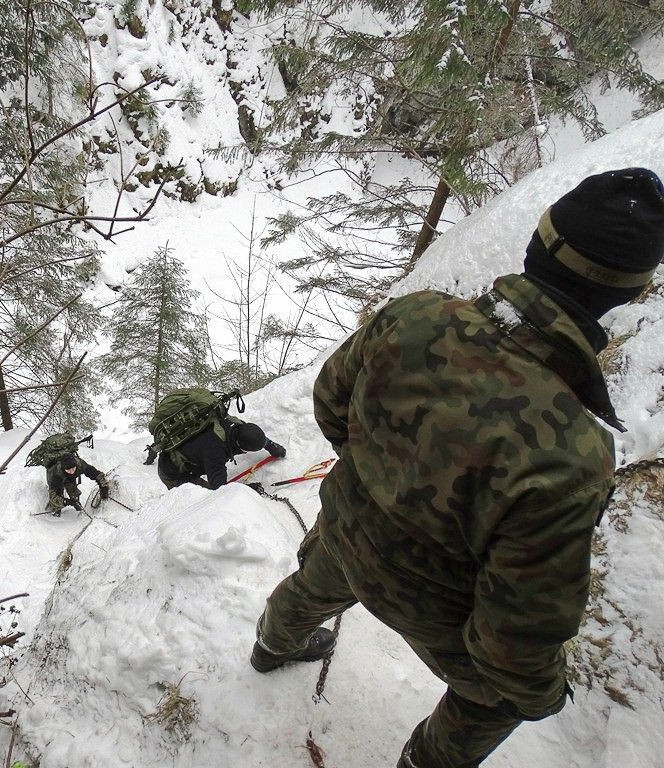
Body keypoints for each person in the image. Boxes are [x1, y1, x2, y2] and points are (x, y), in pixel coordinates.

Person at [249, 168, 664, 768]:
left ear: (537, 244)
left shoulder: (414, 315)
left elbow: (330, 402)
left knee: (315, 580)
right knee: (501, 700)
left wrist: (376, 477)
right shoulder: (572, 454)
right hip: (437, 607)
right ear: (630, 293)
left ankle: (271, 645)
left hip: (346, 529)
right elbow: (515, 640)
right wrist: (541, 696)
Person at [157, 418, 286, 490]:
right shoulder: (215, 452)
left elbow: (254, 436)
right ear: (240, 448)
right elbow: (219, 491)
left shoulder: (234, 425)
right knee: (202, 499)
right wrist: (249, 490)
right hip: (172, 472)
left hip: (186, 451)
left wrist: (272, 446)